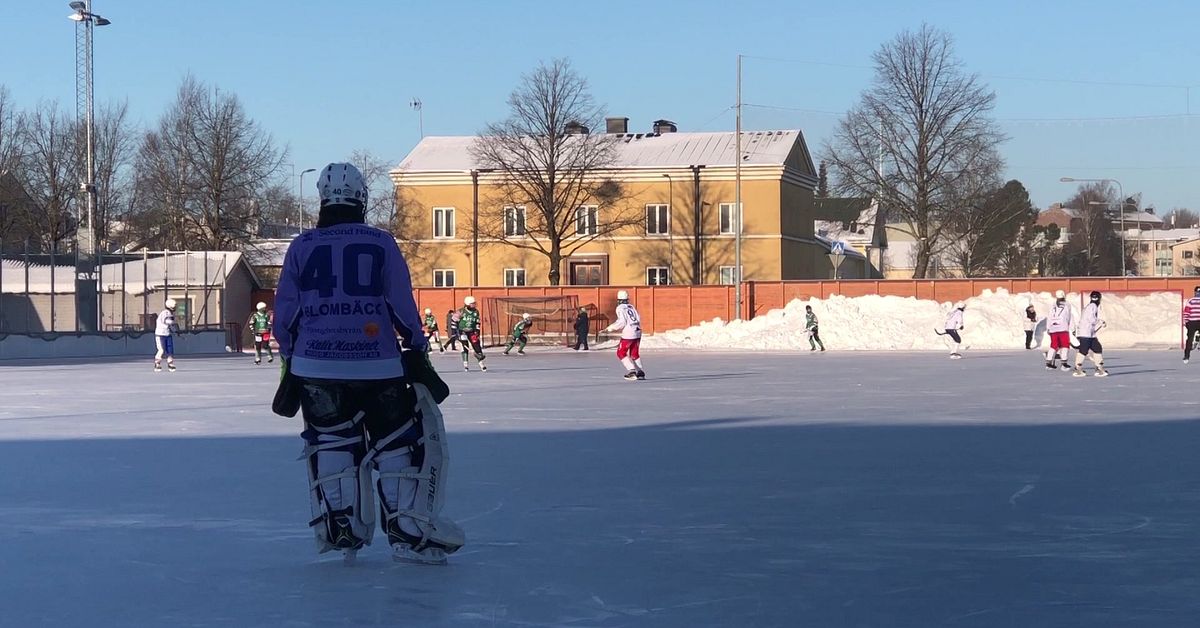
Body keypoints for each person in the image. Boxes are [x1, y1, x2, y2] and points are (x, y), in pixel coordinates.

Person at [272, 162, 462, 564]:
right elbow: (399, 301)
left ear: (322, 198)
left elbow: (286, 311)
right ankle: (407, 530)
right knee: (396, 441)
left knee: (332, 441)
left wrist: (291, 353)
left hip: (316, 366)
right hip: (378, 366)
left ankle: (342, 525)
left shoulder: (301, 246)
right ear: (362, 199)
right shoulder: (381, 243)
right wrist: (415, 340)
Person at [604, 290, 645, 380]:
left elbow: (622, 322)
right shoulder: (632, 307)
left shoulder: (620, 308)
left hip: (629, 333)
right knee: (634, 353)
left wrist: (611, 328)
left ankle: (632, 371)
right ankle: (640, 372)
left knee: (621, 352)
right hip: (637, 330)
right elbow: (638, 318)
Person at [1072, 290, 1108, 377]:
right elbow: (1091, 319)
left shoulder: (1090, 306)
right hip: (1085, 333)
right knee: (1083, 350)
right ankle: (1078, 368)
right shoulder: (1093, 307)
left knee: (1097, 348)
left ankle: (1099, 367)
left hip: (1090, 333)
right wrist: (1100, 322)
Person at [1045, 290, 1073, 371]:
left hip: (1053, 328)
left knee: (1054, 345)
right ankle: (1064, 363)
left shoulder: (1053, 305)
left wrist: (1048, 328)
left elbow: (1049, 316)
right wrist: (1071, 327)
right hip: (1063, 328)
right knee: (1065, 345)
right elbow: (1069, 316)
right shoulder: (1067, 304)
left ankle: (1048, 362)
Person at [457, 296, 487, 371]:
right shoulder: (461, 311)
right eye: (472, 303)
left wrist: (477, 330)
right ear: (467, 304)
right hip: (462, 331)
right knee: (465, 346)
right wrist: (456, 332)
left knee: (476, 344)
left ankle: (481, 363)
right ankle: (465, 364)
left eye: (474, 303)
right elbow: (453, 321)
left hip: (472, 331)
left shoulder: (476, 311)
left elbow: (477, 322)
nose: (474, 305)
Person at [154, 298, 179, 372]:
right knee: (161, 349)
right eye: (175, 306)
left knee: (170, 350)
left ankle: (170, 363)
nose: (175, 308)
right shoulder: (165, 312)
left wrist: (175, 330)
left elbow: (170, 325)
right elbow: (166, 321)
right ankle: (157, 363)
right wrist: (173, 323)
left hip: (167, 333)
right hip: (160, 334)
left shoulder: (170, 313)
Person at [1183, 286, 1200, 364]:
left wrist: (1185, 321)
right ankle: (1197, 338)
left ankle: (1186, 356)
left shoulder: (1191, 300)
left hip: (1192, 321)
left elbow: (1186, 311)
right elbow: (1186, 311)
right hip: (1194, 321)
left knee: (1189, 339)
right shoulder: (1191, 300)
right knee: (1189, 339)